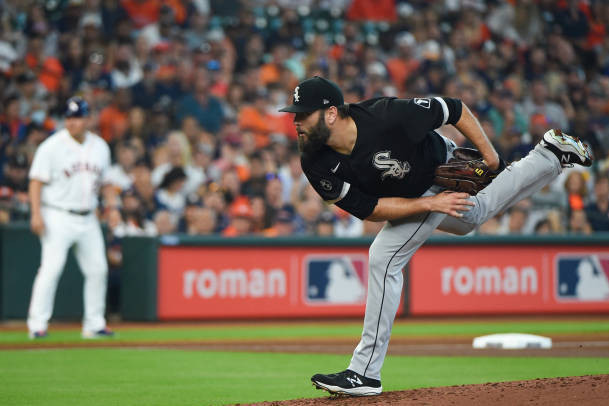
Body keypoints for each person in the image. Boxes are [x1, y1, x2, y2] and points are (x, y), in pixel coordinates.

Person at [279, 76, 593, 396]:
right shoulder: (314, 161)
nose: (296, 121)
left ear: (331, 113)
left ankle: (364, 373)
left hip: (439, 167)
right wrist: (430, 203)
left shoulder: (386, 116)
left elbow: (454, 109)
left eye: (303, 114)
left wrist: (492, 157)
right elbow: (369, 208)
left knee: (383, 258)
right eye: (295, 114)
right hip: (417, 195)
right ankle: (550, 155)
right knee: (474, 215)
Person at [27, 97, 116, 339]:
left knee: (98, 269)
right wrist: (36, 213)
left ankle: (94, 324)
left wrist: (113, 207)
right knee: (51, 269)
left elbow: (106, 183)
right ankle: (37, 324)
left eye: (77, 117)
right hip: (57, 214)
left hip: (88, 218)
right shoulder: (52, 146)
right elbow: (36, 182)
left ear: (88, 119)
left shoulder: (100, 147)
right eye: (69, 117)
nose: (72, 122)